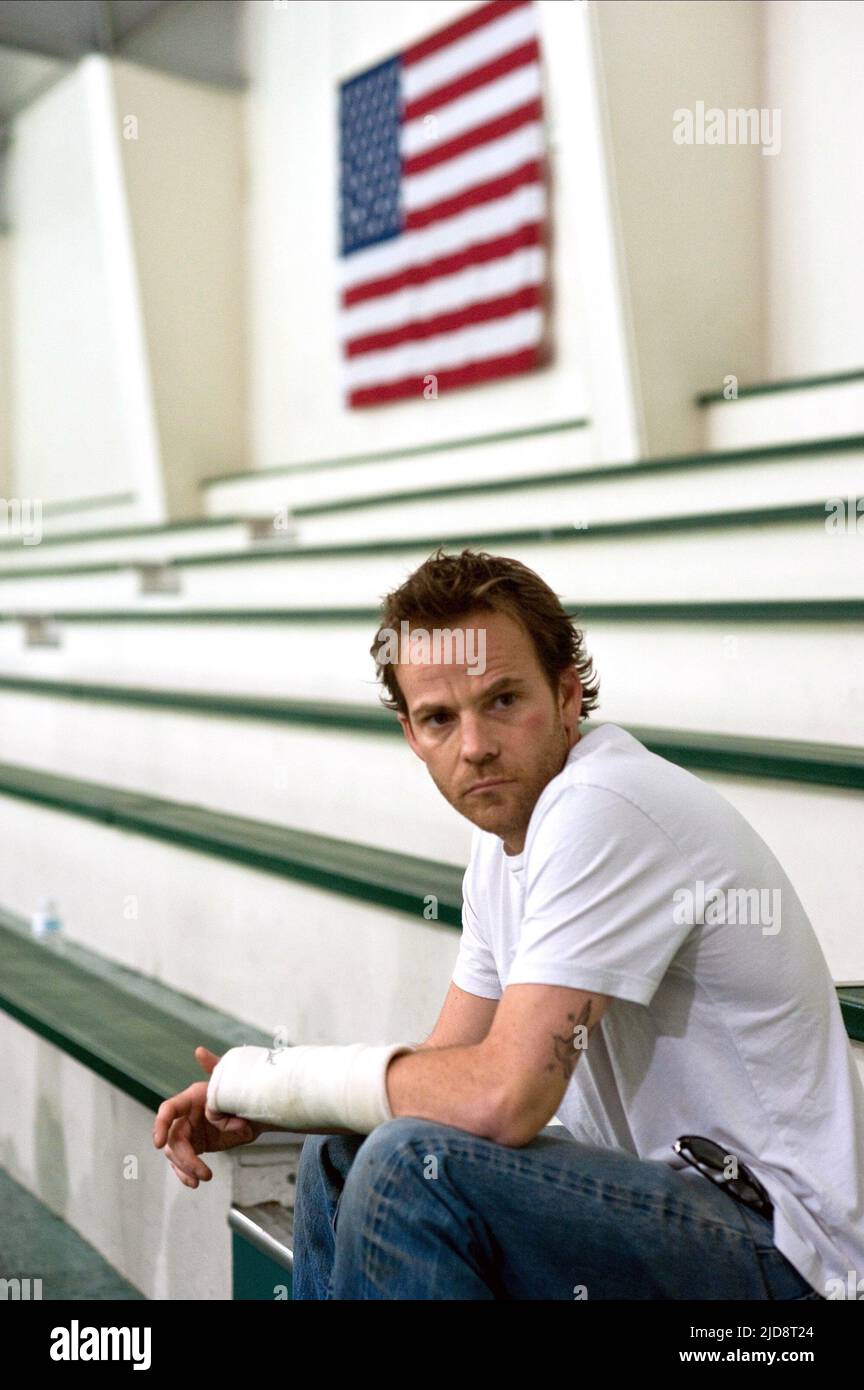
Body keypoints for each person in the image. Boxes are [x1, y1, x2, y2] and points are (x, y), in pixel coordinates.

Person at [153, 547, 864, 1300]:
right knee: (345, 1153)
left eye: (502, 701)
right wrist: (269, 1098)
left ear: (566, 696)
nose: (475, 746)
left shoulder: (605, 806)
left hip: (792, 1257)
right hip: (680, 1221)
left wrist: (277, 1079)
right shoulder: (503, 843)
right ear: (411, 736)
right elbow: (448, 1066)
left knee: (404, 1169)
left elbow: (504, 1096)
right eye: (439, 718)